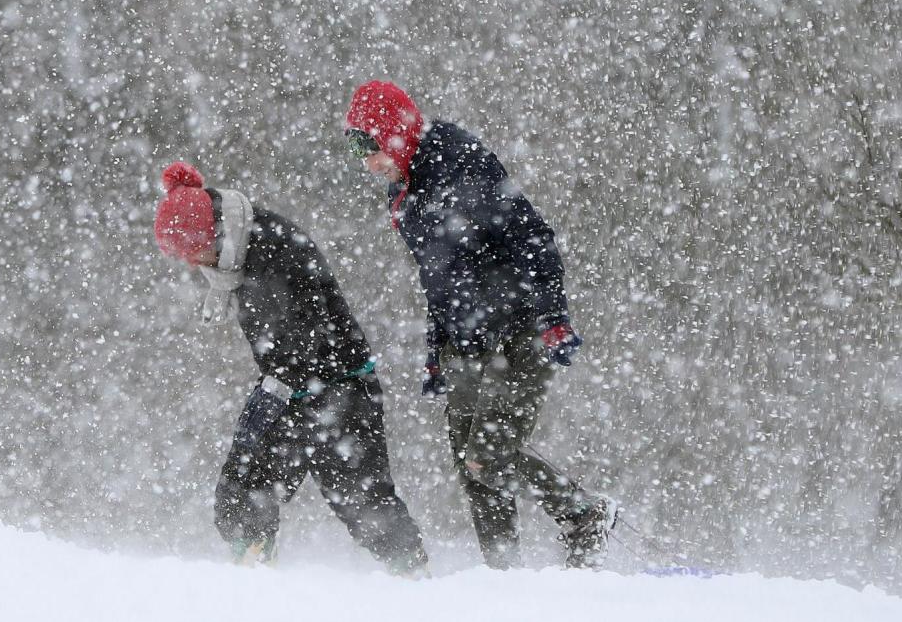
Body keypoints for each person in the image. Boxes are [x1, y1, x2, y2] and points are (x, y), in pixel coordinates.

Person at [343, 80, 616, 570]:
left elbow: (533, 236)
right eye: (356, 148)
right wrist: (436, 349)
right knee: (473, 472)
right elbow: (438, 279)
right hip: (464, 344)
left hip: (517, 331)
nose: (367, 161)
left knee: (487, 457)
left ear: (394, 134)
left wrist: (553, 316)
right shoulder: (402, 195)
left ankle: (586, 515)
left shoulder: (461, 160)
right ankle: (501, 575)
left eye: (370, 145)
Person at [153, 160, 428, 576]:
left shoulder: (271, 254)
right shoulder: (241, 246)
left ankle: (418, 582)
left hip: (338, 387)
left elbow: (297, 347)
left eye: (193, 252)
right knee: (247, 488)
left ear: (212, 233)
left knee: (357, 498)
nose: (194, 265)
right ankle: (255, 572)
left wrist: (268, 402)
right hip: (301, 386)